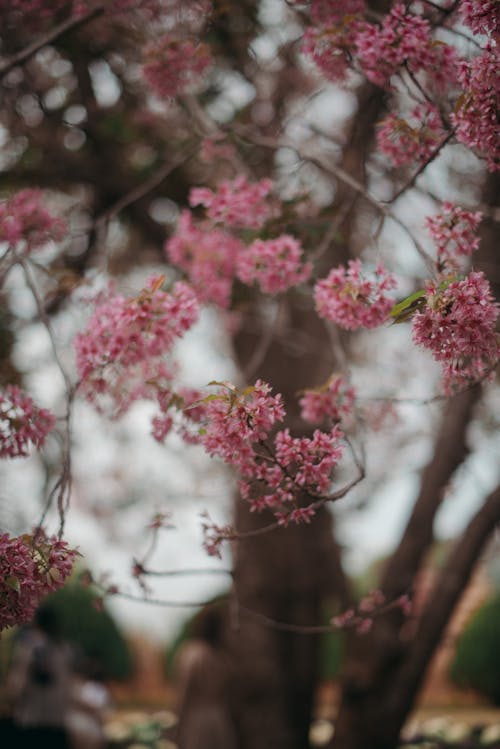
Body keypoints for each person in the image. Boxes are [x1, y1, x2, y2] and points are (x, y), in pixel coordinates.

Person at [5, 604, 73, 748]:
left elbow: (16, 686)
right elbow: (68, 687)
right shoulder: (65, 648)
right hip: (58, 723)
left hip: (32, 722)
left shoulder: (29, 646)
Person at [175, 605, 237, 749]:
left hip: (197, 722)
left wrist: (177, 726)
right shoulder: (223, 657)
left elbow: (184, 692)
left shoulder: (194, 653)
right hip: (222, 721)